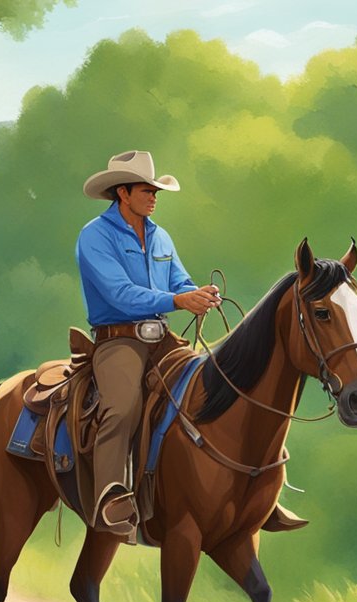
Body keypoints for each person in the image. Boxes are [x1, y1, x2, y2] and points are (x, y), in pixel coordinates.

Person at [77, 150, 222, 535]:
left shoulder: (161, 236)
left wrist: (199, 294)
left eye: (156, 190)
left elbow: (179, 282)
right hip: (119, 341)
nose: (155, 197)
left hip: (162, 339)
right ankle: (110, 493)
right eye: (147, 190)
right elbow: (120, 294)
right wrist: (177, 301)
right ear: (123, 193)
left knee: (211, 385)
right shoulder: (94, 236)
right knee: (122, 407)